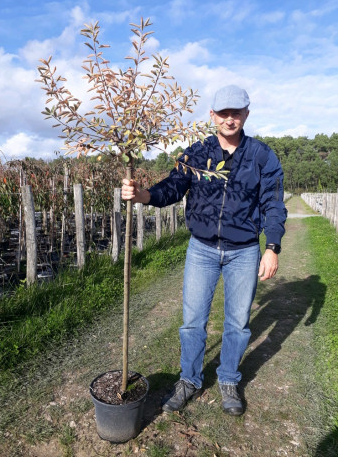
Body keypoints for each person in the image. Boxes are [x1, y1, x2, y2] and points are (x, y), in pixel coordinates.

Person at [121, 84, 287, 416]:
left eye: (236, 113)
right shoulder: (196, 153)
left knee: (237, 324)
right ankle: (190, 380)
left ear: (246, 115)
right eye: (223, 113)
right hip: (202, 250)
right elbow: (172, 187)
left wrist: (272, 246)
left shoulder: (262, 156)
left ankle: (228, 379)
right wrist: (142, 196)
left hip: (243, 252)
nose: (230, 119)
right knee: (192, 321)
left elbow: (273, 204)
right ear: (212, 115)